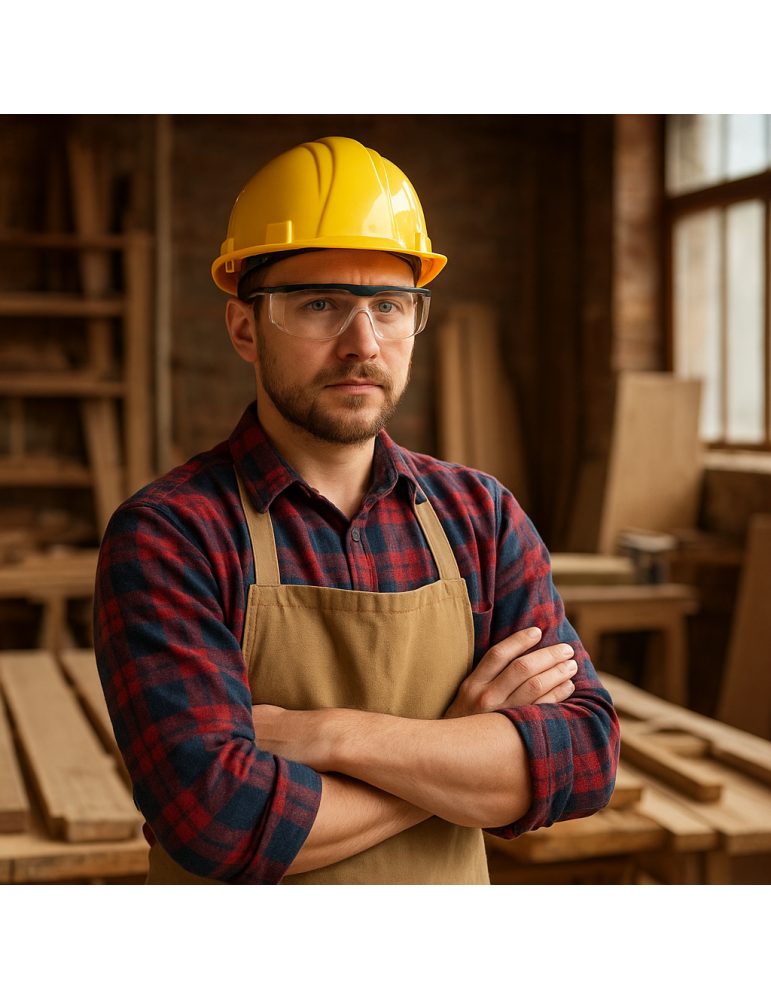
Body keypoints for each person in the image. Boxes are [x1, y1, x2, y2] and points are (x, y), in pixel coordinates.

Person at [94, 136, 619, 885]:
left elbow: (584, 760)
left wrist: (332, 736)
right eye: (319, 305)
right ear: (244, 328)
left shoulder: (481, 517)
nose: (361, 344)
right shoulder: (172, 535)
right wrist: (459, 747)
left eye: (389, 306)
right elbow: (218, 820)